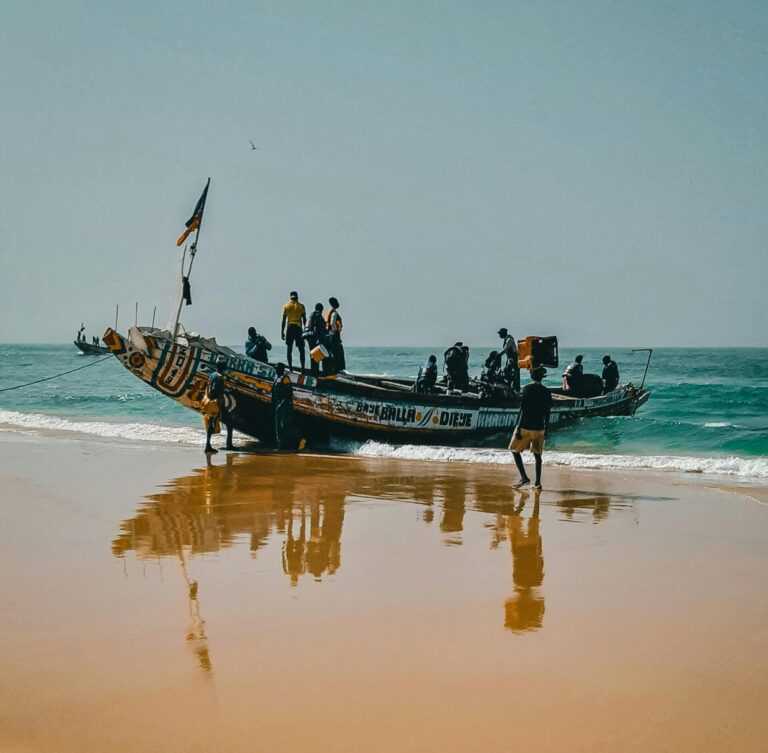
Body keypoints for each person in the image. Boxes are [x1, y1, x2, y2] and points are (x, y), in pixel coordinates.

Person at [509, 366, 552, 490]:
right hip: (539, 428)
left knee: (514, 450)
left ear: (532, 377)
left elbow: (522, 410)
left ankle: (524, 477)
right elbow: (547, 412)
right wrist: (546, 428)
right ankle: (537, 483)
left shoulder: (527, 389)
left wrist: (518, 428)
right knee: (537, 456)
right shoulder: (546, 391)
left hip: (525, 426)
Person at [203, 357, 234, 453]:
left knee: (211, 423)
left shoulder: (212, 375)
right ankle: (228, 445)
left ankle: (208, 445)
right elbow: (214, 390)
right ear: (223, 367)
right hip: (218, 403)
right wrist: (226, 391)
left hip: (211, 403)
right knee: (229, 423)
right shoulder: (219, 376)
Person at [281, 291, 307, 371]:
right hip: (298, 328)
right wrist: (305, 330)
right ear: (297, 297)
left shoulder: (286, 306)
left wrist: (282, 331)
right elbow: (305, 319)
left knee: (289, 349)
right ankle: (302, 369)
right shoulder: (301, 306)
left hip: (290, 328)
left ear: (290, 297)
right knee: (301, 349)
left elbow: (284, 320)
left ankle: (290, 368)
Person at [272, 362, 294, 449]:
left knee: (283, 425)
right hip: (278, 403)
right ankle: (280, 444)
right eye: (276, 368)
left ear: (281, 369)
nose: (276, 370)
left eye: (277, 368)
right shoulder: (277, 378)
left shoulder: (285, 378)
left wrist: (282, 404)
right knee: (278, 425)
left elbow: (289, 393)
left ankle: (284, 444)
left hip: (284, 404)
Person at [305, 302, 327, 376]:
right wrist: (317, 338)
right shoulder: (318, 315)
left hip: (307, 335)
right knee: (316, 353)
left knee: (312, 353)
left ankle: (313, 371)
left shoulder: (311, 314)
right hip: (313, 335)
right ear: (321, 309)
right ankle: (315, 372)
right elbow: (315, 327)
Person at [324, 297, 345, 373]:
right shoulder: (334, 313)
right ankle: (336, 370)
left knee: (332, 352)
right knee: (337, 352)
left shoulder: (329, 311)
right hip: (333, 336)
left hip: (329, 335)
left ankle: (332, 370)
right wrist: (333, 332)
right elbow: (332, 323)